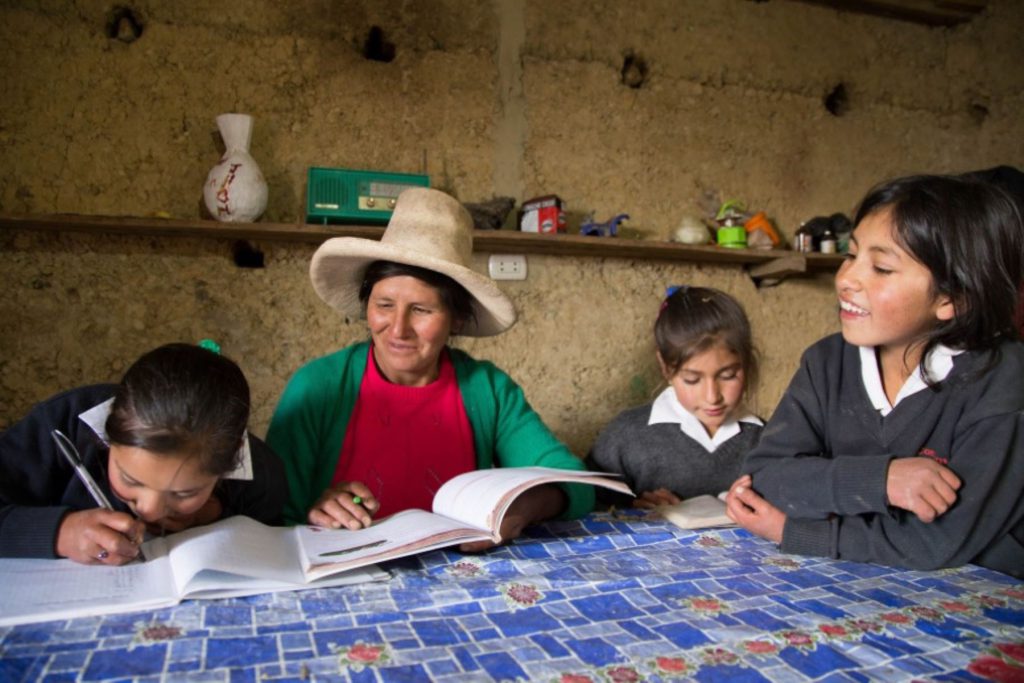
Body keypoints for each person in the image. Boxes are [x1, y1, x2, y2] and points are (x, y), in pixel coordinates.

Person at [725, 173, 1024, 578]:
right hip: (868, 586)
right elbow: (764, 478)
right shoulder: (827, 363)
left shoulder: (1001, 378)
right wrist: (882, 480)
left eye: (881, 267)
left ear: (952, 297)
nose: (847, 279)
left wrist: (797, 531)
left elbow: (939, 540)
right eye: (851, 255)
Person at [266, 187, 594, 550]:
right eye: (384, 305)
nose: (398, 328)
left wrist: (523, 506)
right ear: (366, 306)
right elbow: (268, 512)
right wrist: (318, 511)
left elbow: (575, 483)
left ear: (456, 319)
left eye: (421, 310)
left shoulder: (488, 389)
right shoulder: (317, 388)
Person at [0, 343, 288, 565]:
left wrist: (221, 515)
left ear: (229, 464)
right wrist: (58, 532)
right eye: (130, 479)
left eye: (184, 494)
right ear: (107, 433)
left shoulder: (262, 477)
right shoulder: (64, 426)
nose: (150, 509)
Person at [589, 286, 763, 508]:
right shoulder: (626, 438)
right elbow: (588, 508)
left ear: (747, 364)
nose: (712, 397)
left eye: (728, 376)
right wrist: (633, 511)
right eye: (692, 379)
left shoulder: (768, 441)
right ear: (665, 367)